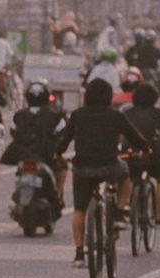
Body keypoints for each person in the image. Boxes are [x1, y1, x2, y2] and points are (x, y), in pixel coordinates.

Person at [55, 79, 149, 267]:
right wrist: (145, 149)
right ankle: (120, 211)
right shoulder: (116, 116)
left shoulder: (77, 115)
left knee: (79, 209)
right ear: (108, 96)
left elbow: (64, 142)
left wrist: (58, 155)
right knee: (126, 175)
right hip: (110, 166)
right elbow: (135, 137)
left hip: (82, 169)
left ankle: (80, 253)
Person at [1, 80, 69, 217]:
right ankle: (57, 194)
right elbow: (62, 133)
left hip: (22, 155)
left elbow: (13, 132)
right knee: (62, 167)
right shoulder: (55, 116)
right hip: (46, 155)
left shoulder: (19, 115)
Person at [122, 83, 160, 225]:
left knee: (129, 177)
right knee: (159, 180)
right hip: (155, 156)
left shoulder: (127, 113)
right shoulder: (158, 114)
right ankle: (158, 215)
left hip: (131, 155)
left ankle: (126, 205)